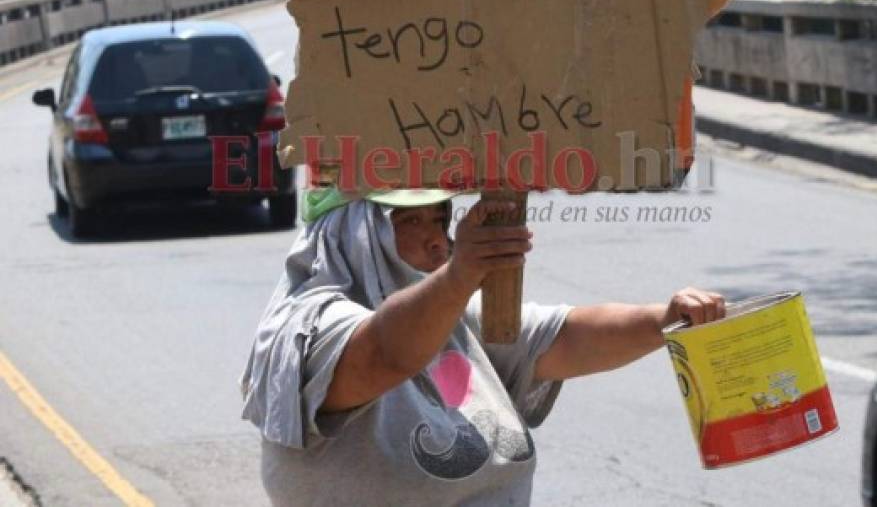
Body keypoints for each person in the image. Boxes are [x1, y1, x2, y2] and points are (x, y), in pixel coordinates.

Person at [241, 188, 726, 506]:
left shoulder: (451, 316)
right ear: (354, 233)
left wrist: (665, 319)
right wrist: (460, 275)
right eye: (412, 222)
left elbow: (562, 337)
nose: (439, 241)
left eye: (441, 219)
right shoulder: (305, 326)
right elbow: (382, 355)